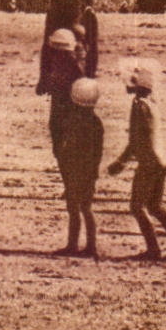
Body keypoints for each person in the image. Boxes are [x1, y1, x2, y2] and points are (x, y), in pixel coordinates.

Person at [108, 59, 166, 261]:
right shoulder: (152, 103)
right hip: (161, 161)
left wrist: (120, 162)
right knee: (155, 206)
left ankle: (153, 249)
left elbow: (135, 140)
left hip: (149, 162)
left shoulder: (138, 105)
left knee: (137, 207)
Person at [53, 77, 103, 259]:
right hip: (88, 172)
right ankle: (91, 246)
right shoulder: (96, 123)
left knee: (74, 208)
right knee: (85, 208)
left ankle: (73, 244)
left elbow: (67, 148)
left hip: (75, 171)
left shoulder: (73, 121)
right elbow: (97, 153)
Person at [38, 0, 98, 90]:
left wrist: (89, 77)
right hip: (59, 72)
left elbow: (92, 49)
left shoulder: (87, 14)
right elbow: (46, 46)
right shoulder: (54, 14)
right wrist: (44, 77)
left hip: (78, 72)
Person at [38, 27, 84, 170]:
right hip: (61, 101)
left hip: (69, 103)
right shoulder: (64, 61)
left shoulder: (75, 65)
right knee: (58, 135)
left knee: (63, 137)